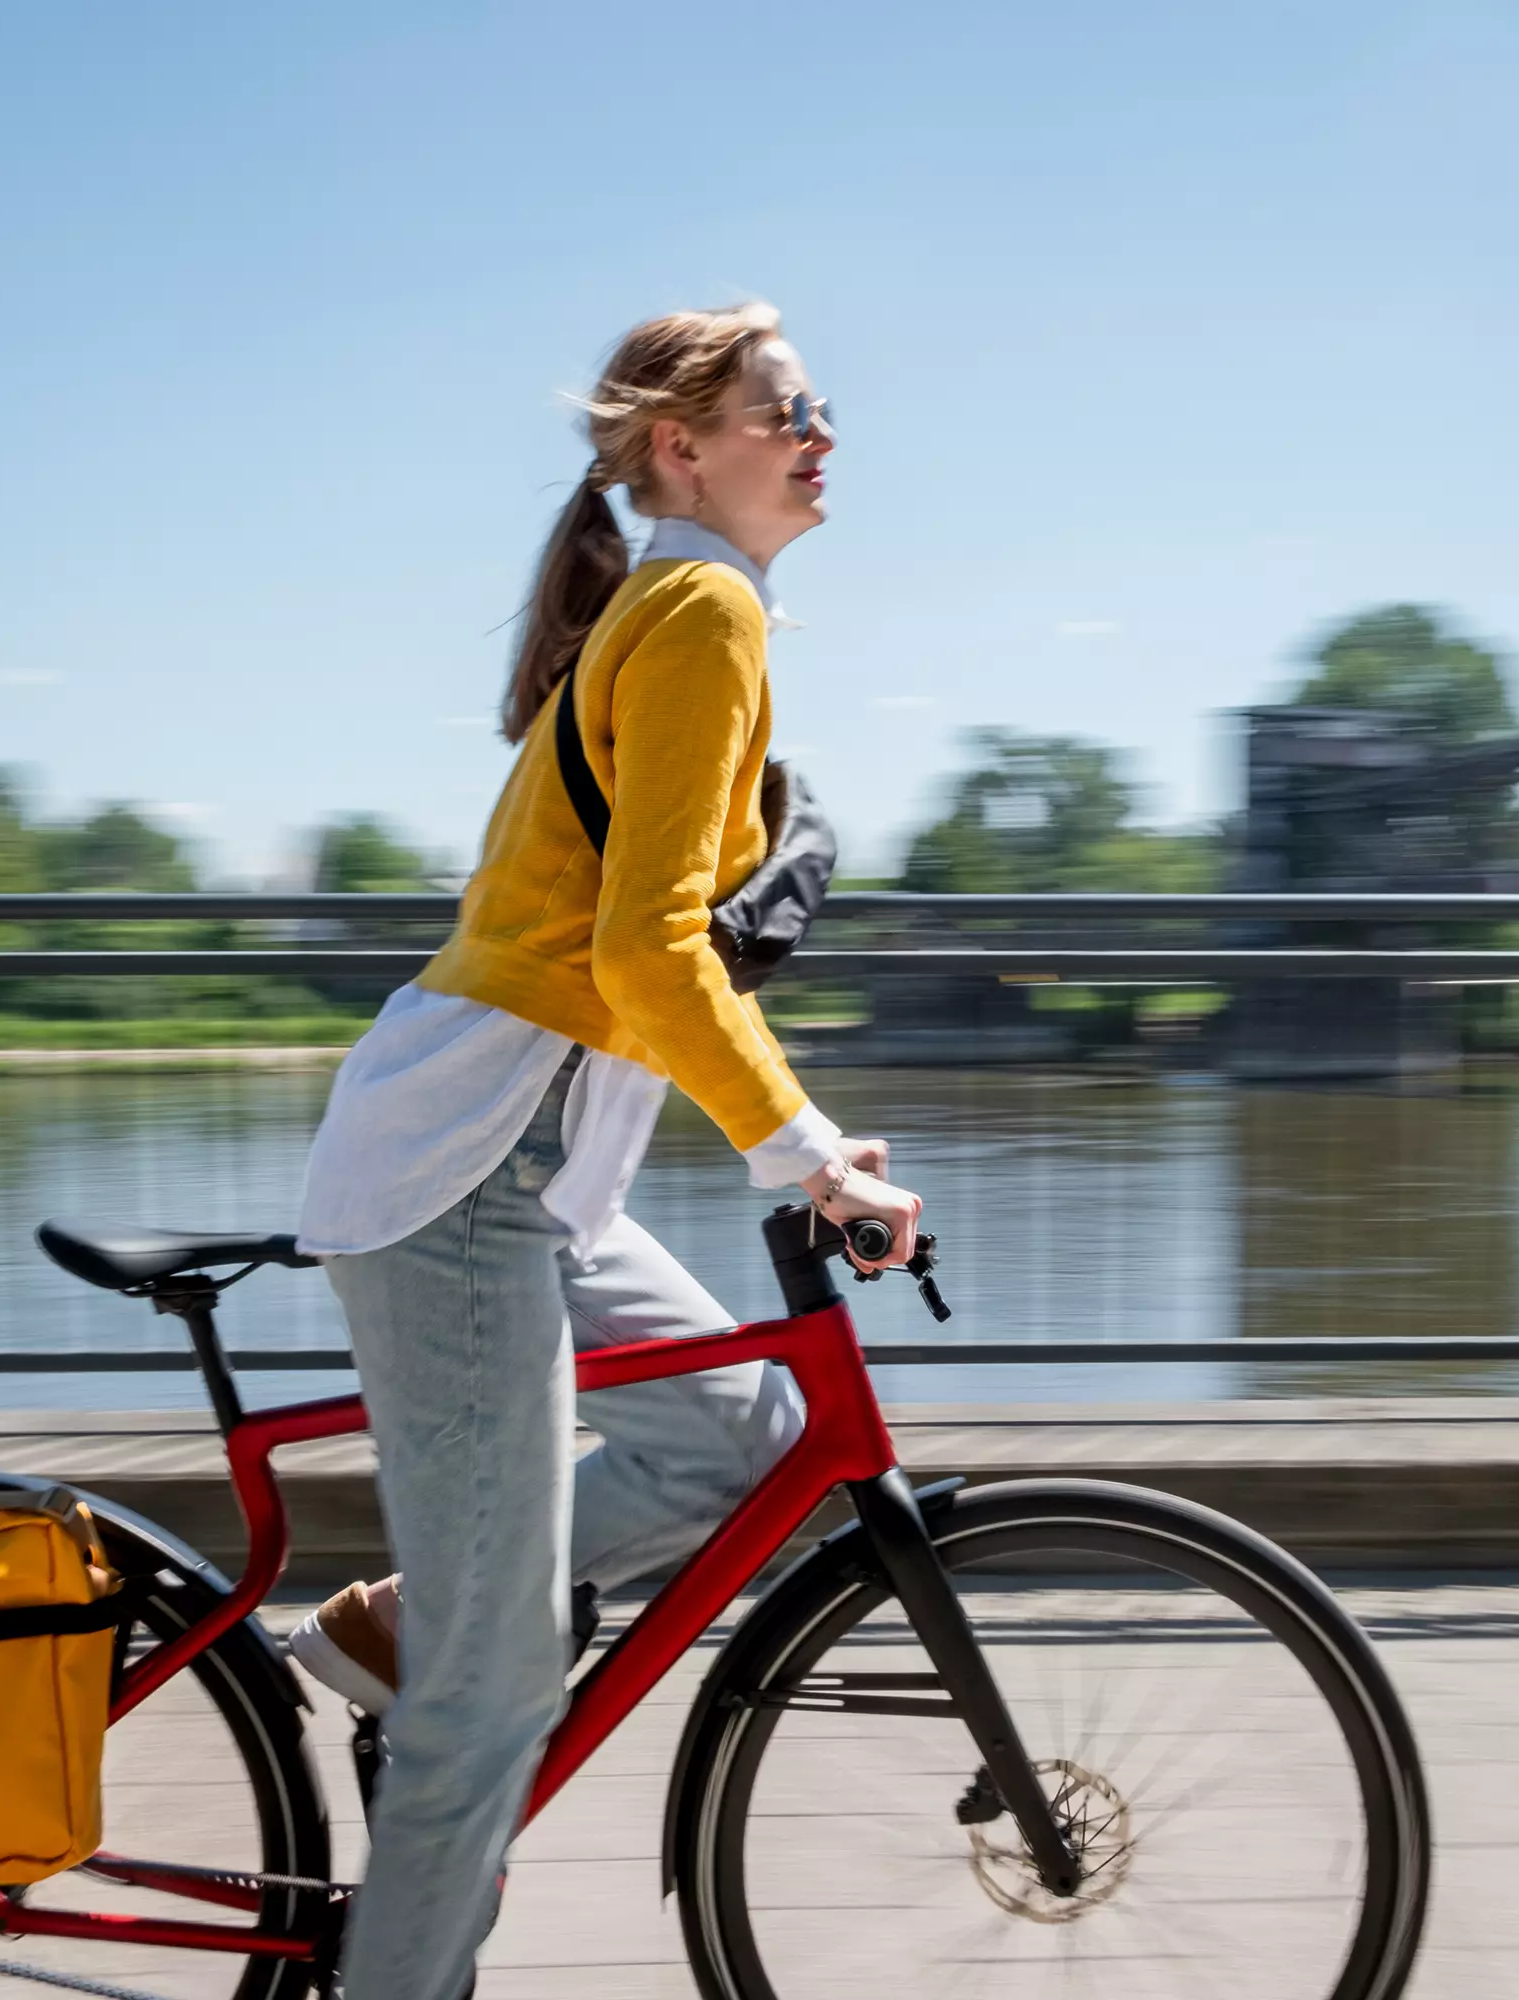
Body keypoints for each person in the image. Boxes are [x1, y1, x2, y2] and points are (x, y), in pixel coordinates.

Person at [289, 302, 921, 2000]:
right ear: (680, 449)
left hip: (530, 1175)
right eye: (787, 410)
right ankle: (448, 1707)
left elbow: (632, 964)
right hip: (464, 1185)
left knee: (750, 1430)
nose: (820, 435)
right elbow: (651, 951)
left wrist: (796, 1134)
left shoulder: (684, 603)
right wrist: (800, 1155)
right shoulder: (702, 603)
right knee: (492, 1716)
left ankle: (415, 1621)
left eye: (820, 407)